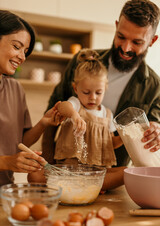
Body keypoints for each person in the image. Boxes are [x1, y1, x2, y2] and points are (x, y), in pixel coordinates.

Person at [42, 0, 160, 170]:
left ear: (152, 40)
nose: (126, 48)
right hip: (67, 166)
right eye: (121, 37)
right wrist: (47, 163)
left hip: (111, 171)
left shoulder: (154, 86)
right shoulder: (82, 62)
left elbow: (154, 126)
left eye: (137, 42)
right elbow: (52, 113)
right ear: (116, 26)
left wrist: (156, 130)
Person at [0, 10, 62, 186]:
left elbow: (19, 142)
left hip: (5, 190)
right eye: (16, 47)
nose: (22, 57)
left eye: (25, 51)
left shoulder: (15, 89)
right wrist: (7, 162)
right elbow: (9, 157)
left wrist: (43, 123)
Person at [54, 48, 123, 167]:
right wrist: (74, 115)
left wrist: (123, 138)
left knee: (122, 172)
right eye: (86, 92)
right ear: (76, 88)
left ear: (105, 89)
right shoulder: (75, 104)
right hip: (73, 164)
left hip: (98, 167)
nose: (92, 97)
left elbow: (110, 143)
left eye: (98, 93)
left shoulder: (107, 114)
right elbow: (62, 107)